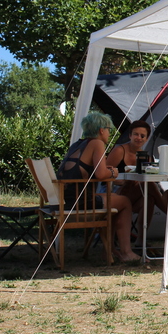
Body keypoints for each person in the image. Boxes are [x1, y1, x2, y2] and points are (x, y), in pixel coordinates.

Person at [57, 112, 140, 262]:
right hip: (79, 203)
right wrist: (113, 172)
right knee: (125, 202)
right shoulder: (97, 143)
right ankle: (126, 252)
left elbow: (88, 171)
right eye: (109, 129)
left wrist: (104, 170)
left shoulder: (78, 144)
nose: (109, 133)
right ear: (101, 130)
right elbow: (101, 175)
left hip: (66, 199)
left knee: (115, 198)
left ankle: (110, 249)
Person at [106, 120, 167, 247]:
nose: (139, 138)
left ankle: (141, 239)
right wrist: (122, 181)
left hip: (137, 196)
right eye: (136, 134)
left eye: (142, 136)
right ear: (130, 135)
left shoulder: (147, 157)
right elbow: (105, 174)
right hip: (119, 193)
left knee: (149, 198)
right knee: (149, 186)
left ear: (146, 138)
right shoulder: (120, 151)